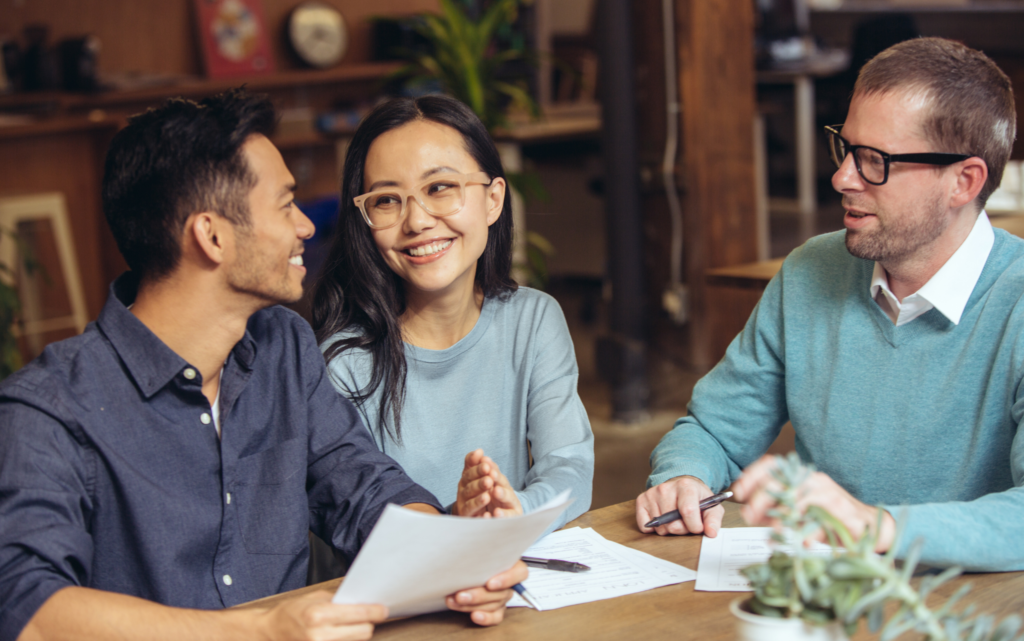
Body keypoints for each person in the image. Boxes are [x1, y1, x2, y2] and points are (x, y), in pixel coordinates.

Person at [0, 89, 526, 641]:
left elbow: (364, 489)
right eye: (285, 205)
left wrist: (453, 560)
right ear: (212, 235)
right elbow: (24, 605)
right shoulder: (49, 409)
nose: (305, 226)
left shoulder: (282, 349)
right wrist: (260, 631)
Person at [636, 37, 1023, 572]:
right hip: (826, 605)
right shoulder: (809, 271)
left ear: (964, 180)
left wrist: (871, 526)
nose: (842, 178)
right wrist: (684, 476)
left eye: (875, 162)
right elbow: (715, 430)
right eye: (846, 149)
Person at [312, 95, 593, 527]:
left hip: (507, 569)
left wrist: (516, 510)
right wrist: (458, 521)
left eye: (439, 188)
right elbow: (357, 518)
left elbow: (569, 465)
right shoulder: (343, 362)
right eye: (387, 200)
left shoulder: (533, 321)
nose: (417, 221)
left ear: (494, 200)